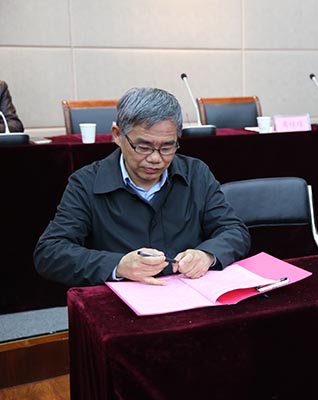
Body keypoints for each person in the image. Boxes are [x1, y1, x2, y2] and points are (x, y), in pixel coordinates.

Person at [34, 87, 250, 286]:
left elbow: (234, 230)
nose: (155, 158)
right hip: (122, 299)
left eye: (167, 147)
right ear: (117, 135)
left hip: (190, 291)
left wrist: (207, 255)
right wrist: (117, 265)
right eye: (143, 147)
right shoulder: (86, 183)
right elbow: (50, 252)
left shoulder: (195, 173)